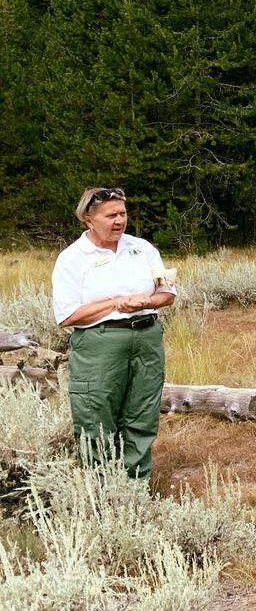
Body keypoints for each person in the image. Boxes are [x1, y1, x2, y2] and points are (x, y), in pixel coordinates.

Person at [51, 188, 177, 481]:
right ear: (88, 219)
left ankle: (135, 488)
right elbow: (67, 316)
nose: (119, 220)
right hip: (99, 343)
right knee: (96, 417)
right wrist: (116, 303)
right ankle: (103, 492)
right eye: (111, 215)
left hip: (146, 338)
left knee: (142, 414)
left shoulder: (142, 249)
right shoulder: (72, 258)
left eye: (123, 213)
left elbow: (167, 292)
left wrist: (146, 302)